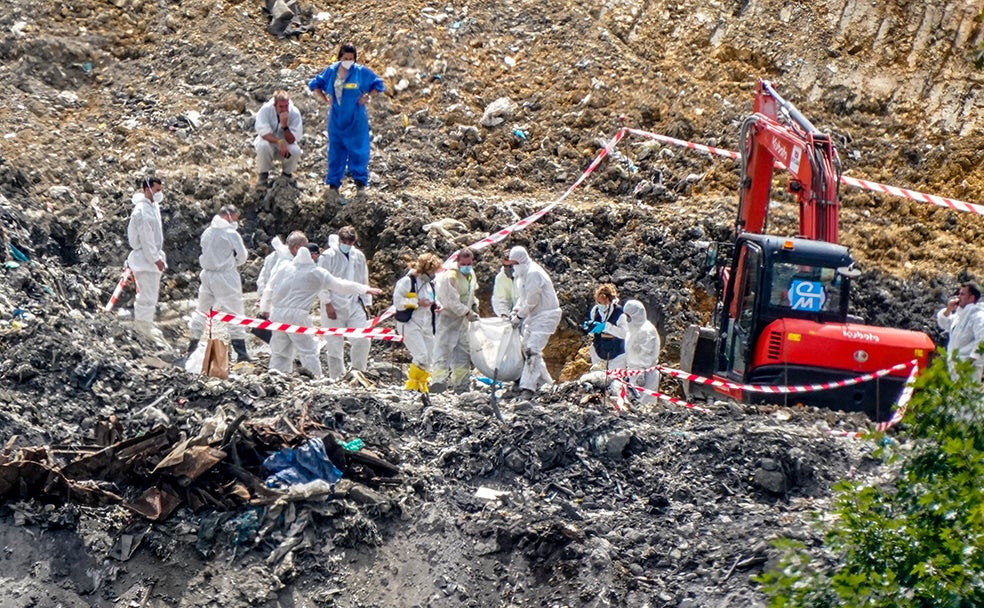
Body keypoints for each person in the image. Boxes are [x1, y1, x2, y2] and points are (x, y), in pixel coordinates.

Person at [261, 235, 382, 378]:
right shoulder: (315, 273)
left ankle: (274, 377)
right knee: (308, 351)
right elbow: (340, 285)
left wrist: (265, 308)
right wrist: (364, 289)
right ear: (312, 256)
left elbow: (268, 288)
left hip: (277, 314)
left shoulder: (284, 267)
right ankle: (315, 380)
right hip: (298, 315)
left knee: (280, 351)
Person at [308, 43, 385, 204]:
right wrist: (324, 99)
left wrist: (367, 97)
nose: (348, 61)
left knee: (359, 150)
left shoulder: (360, 72)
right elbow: (315, 84)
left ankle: (360, 182)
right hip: (337, 119)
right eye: (345, 58)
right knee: (336, 150)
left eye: (351, 59)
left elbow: (378, 84)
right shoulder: (332, 71)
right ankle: (334, 184)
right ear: (340, 58)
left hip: (356, 119)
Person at [187, 205, 250, 361]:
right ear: (229, 215)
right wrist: (232, 263)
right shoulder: (230, 234)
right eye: (236, 217)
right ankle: (241, 353)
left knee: (201, 310)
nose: (237, 221)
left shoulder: (207, 232)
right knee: (234, 312)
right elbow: (242, 256)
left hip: (207, 275)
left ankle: (192, 347)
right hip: (225, 277)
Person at [502, 246, 561, 397]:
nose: (513, 267)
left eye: (514, 263)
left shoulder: (534, 273)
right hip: (534, 317)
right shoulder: (523, 275)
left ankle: (527, 388)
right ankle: (546, 384)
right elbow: (523, 298)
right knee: (526, 348)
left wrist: (519, 317)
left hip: (546, 316)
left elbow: (532, 300)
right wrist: (515, 311)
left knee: (532, 349)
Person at [318, 227, 373, 380]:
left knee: (363, 339)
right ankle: (337, 377)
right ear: (339, 240)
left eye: (351, 241)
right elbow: (321, 281)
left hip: (354, 303)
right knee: (334, 345)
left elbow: (363, 279)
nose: (347, 244)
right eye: (345, 241)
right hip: (333, 303)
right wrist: (327, 303)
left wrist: (367, 303)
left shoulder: (358, 256)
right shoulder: (328, 256)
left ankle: (358, 372)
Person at [431, 248, 480, 393]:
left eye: (469, 263)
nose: (466, 266)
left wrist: (474, 304)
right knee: (443, 348)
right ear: (457, 262)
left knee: (463, 350)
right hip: (448, 319)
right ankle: (438, 381)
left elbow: (470, 292)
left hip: (463, 321)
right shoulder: (450, 276)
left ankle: (461, 381)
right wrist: (466, 312)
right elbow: (450, 301)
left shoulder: (470, 274)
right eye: (463, 264)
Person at [126, 176, 167, 342]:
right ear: (147, 189)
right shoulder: (142, 211)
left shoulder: (152, 207)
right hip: (145, 258)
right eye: (156, 190)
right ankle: (143, 329)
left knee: (151, 295)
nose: (159, 193)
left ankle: (146, 325)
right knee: (146, 297)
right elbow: (146, 238)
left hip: (150, 257)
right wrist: (155, 259)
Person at [393, 253, 442, 393]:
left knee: (430, 357)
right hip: (409, 324)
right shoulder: (407, 282)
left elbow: (432, 298)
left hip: (426, 325)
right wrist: (417, 302)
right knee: (420, 356)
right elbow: (397, 303)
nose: (434, 275)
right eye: (432, 272)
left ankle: (422, 386)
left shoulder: (430, 284)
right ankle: (412, 387)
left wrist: (436, 305)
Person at [253, 90, 303, 189]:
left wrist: (284, 126)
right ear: (275, 105)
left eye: (286, 106)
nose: (284, 109)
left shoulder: (294, 113)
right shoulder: (266, 110)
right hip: (271, 143)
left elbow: (293, 139)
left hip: (286, 145)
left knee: (295, 150)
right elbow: (263, 133)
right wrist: (279, 141)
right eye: (281, 106)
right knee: (263, 145)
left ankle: (286, 175)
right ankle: (263, 175)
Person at [936, 281, 984, 382]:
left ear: (971, 298)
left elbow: (982, 340)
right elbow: (944, 323)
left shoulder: (978, 316)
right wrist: (948, 309)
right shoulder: (960, 315)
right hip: (955, 366)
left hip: (969, 368)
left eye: (962, 294)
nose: (958, 297)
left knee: (969, 396)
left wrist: (971, 360)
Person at [622, 299, 662, 404]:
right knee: (634, 404)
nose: (626, 318)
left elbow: (647, 352)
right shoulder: (633, 329)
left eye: (628, 315)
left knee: (645, 404)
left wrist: (642, 371)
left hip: (646, 375)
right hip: (633, 372)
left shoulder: (646, 330)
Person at [583, 283, 626, 371]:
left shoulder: (619, 313)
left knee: (616, 380)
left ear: (610, 300)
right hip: (599, 351)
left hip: (617, 354)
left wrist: (606, 327)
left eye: (605, 302)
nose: (601, 305)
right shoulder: (595, 311)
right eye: (599, 302)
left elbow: (624, 334)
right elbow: (593, 334)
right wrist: (590, 328)